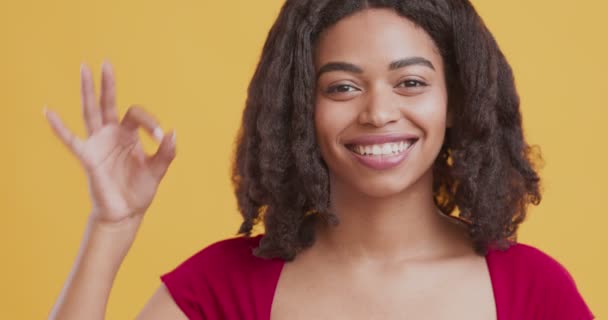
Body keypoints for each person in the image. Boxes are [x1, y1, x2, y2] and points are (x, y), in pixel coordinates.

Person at [46, 0, 595, 319]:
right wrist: (110, 226)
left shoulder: (531, 292)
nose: (379, 112)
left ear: (456, 99)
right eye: (342, 87)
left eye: (410, 82)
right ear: (299, 109)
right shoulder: (225, 287)